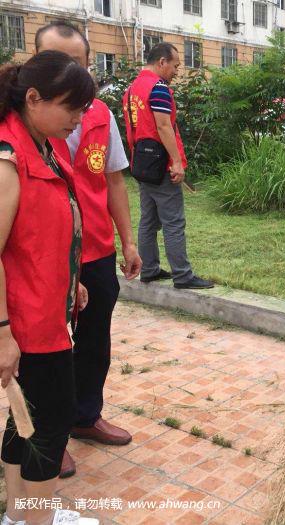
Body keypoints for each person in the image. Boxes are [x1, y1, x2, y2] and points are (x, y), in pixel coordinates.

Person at [34, 20, 141, 479]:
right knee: (45, 352)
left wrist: (128, 239)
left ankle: (84, 415)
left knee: (94, 341)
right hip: (44, 256)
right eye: (59, 64)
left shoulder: (100, 115)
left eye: (79, 64)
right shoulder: (25, 124)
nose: (72, 75)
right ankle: (45, 438)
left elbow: (113, 179)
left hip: (94, 250)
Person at [0, 51, 98, 525]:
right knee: (50, 425)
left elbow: (40, 233)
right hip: (27, 322)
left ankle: (19, 516)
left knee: (26, 417)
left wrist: (69, 281)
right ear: (34, 98)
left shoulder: (44, 144)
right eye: (71, 108)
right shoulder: (7, 158)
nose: (78, 120)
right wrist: (2, 333)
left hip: (46, 309)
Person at [122, 43, 213, 290]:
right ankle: (182, 275)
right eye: (175, 66)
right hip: (161, 165)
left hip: (141, 164)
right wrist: (176, 162)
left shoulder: (132, 89)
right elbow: (163, 127)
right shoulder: (158, 88)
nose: (176, 72)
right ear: (162, 62)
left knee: (148, 220)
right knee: (173, 222)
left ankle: (149, 270)